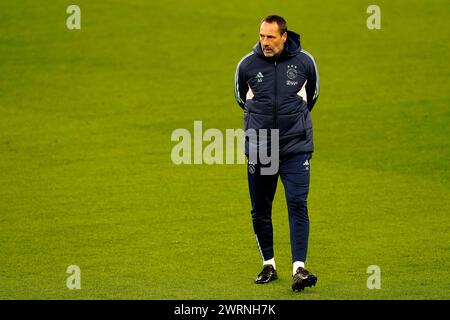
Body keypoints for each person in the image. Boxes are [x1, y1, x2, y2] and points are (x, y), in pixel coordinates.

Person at [234, 15, 320, 291]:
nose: (265, 42)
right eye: (261, 36)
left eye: (270, 37)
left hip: (295, 148)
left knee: (297, 204)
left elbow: (313, 97)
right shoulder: (246, 65)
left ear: (284, 36)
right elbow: (239, 98)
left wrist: (291, 124)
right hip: (261, 147)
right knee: (261, 209)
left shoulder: (305, 63)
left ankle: (299, 268)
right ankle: (268, 265)